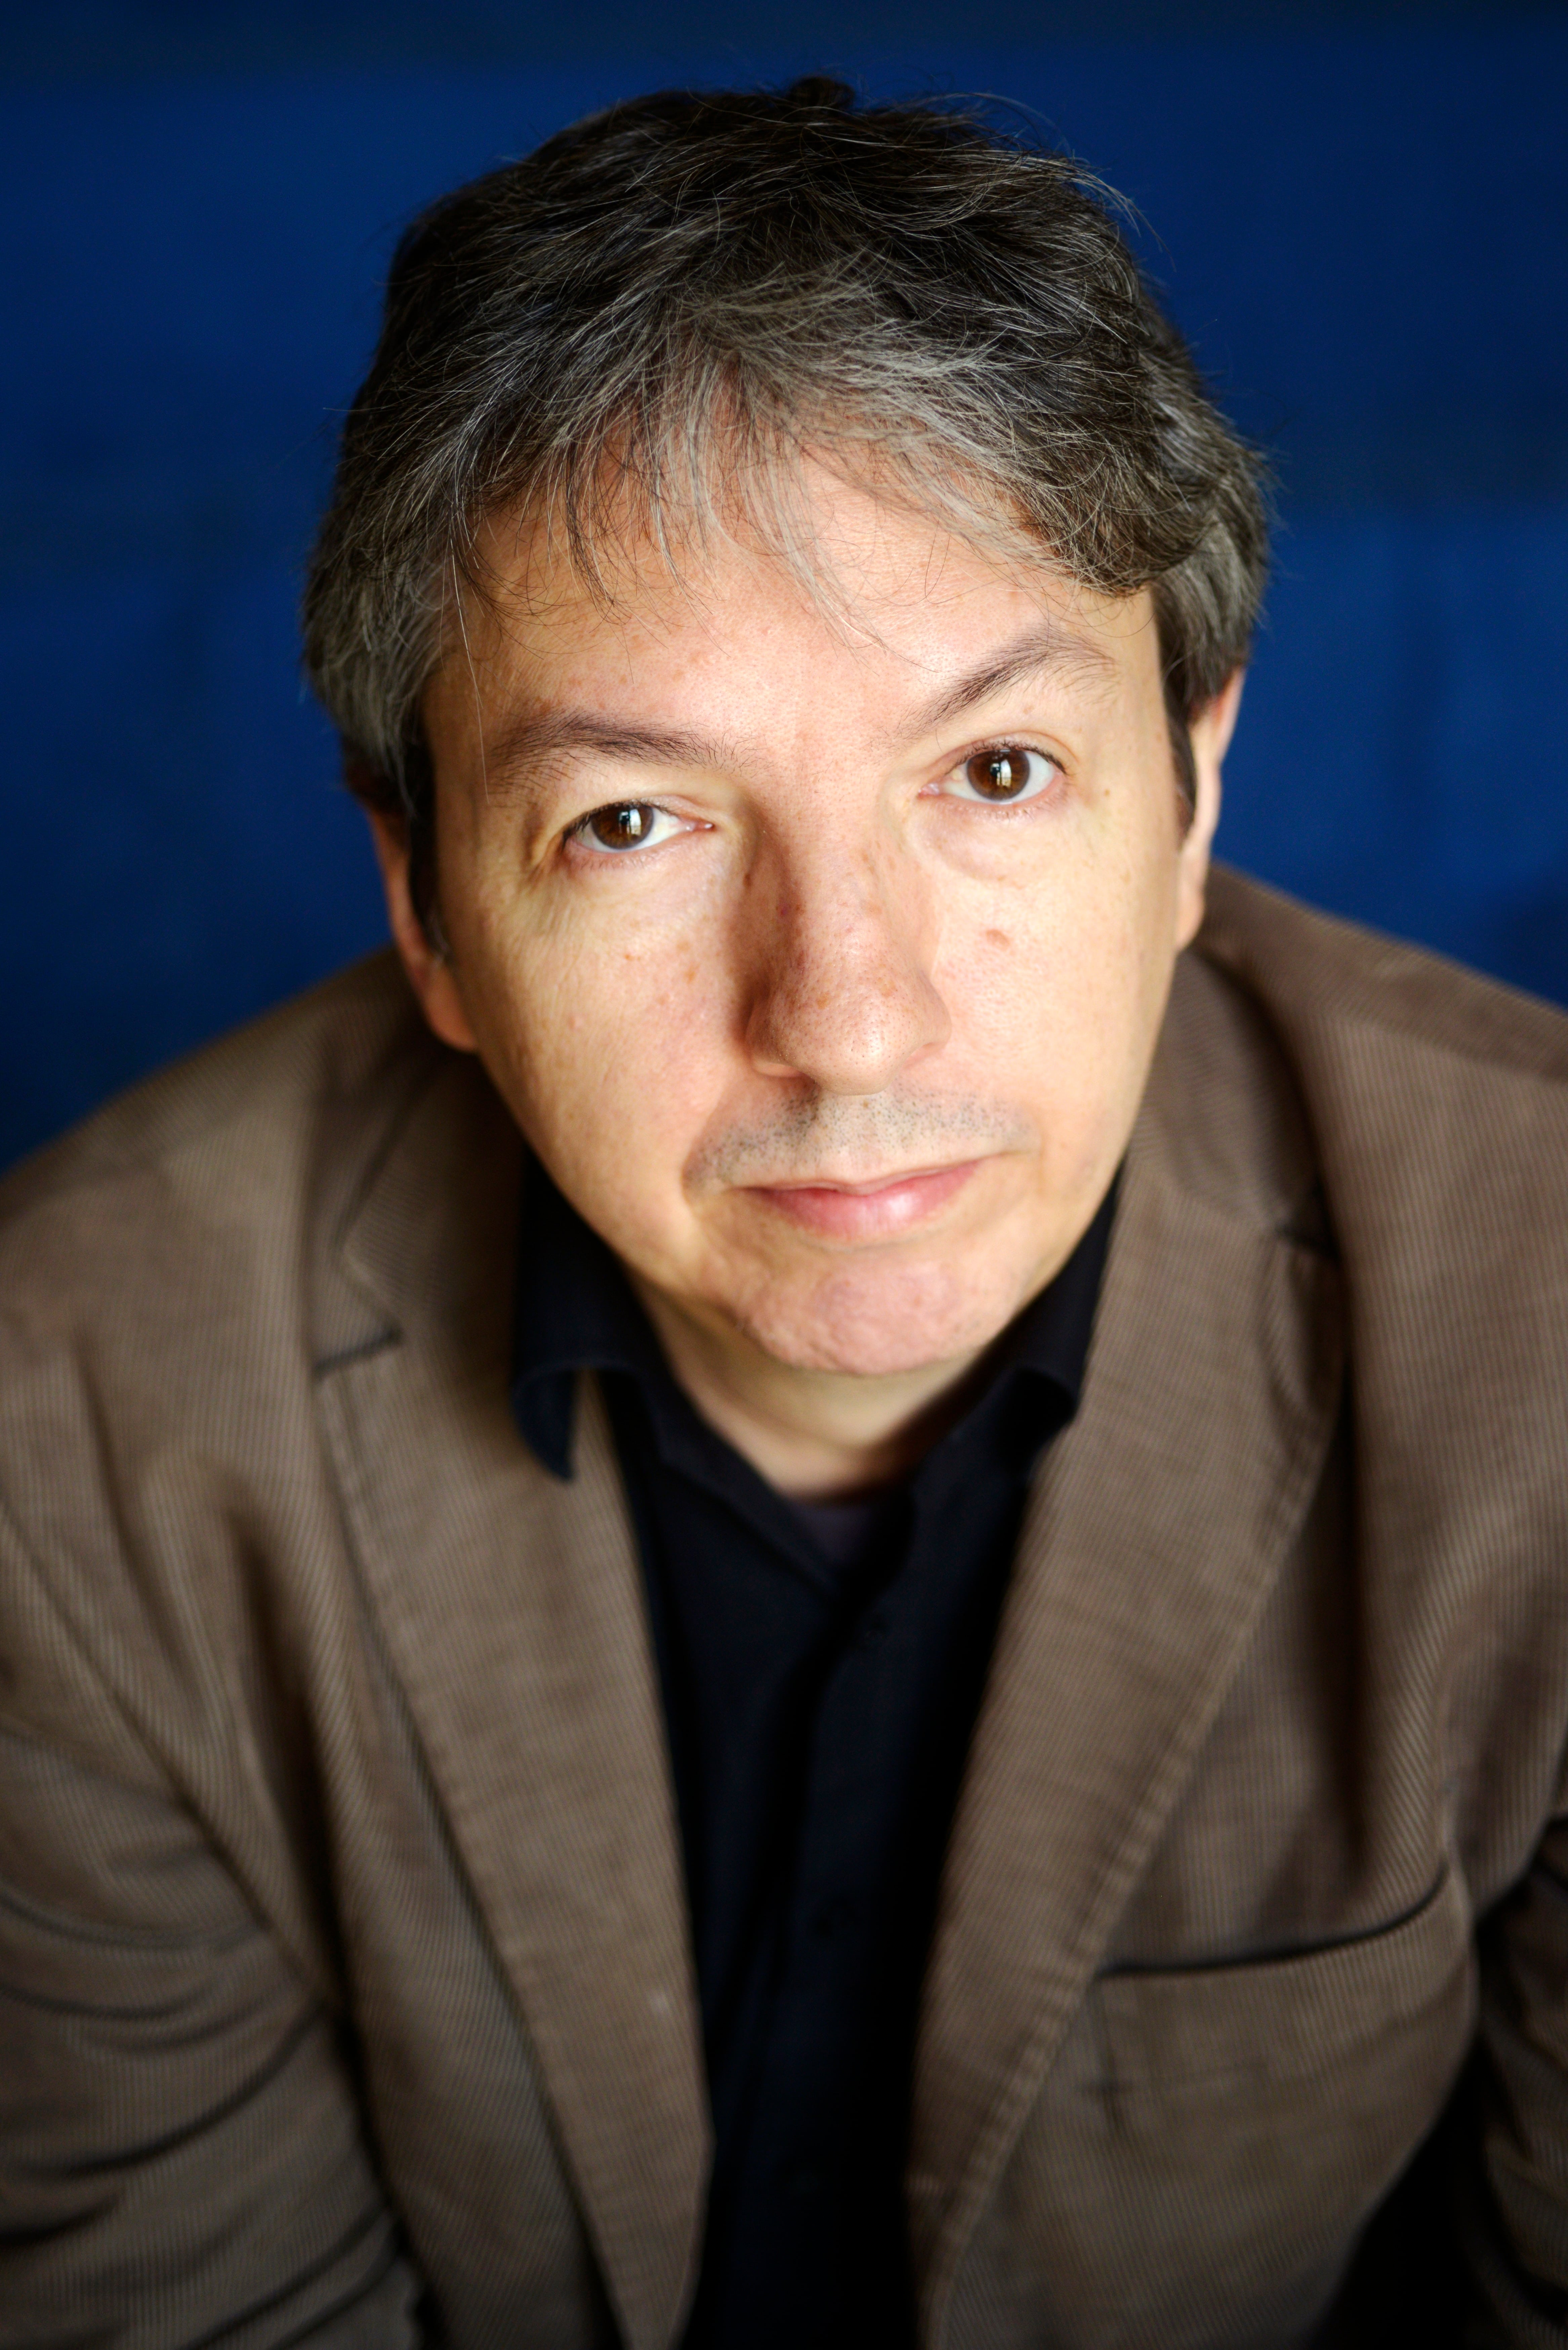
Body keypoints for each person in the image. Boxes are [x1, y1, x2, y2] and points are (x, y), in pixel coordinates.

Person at [2, 73, 1566, 2350]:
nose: (843, 1016)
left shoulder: (1540, 1333)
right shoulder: (68, 1443)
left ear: (1197, 785)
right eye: (633, 823)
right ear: (425, 904)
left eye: (997, 774)